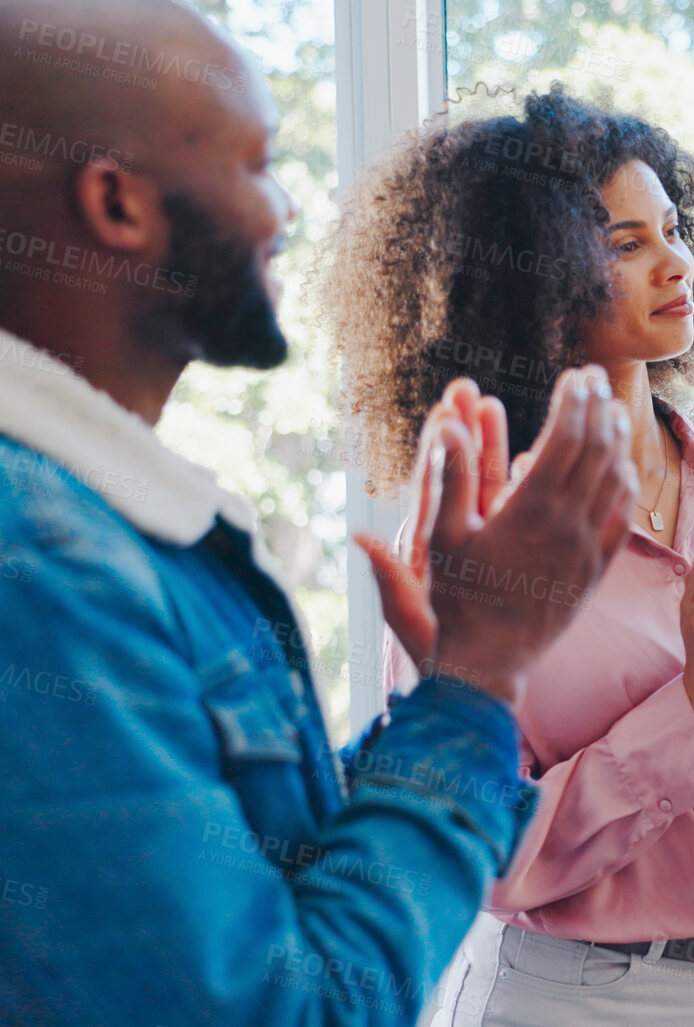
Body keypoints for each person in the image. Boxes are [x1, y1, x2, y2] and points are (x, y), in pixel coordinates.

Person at [0, 2, 640, 1023]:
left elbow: (245, 877)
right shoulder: (39, 562)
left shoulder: (99, 525)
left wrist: (444, 704)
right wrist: (483, 676)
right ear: (117, 205)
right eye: (255, 164)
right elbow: (285, 1009)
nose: (285, 210)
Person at [318, 86, 694, 1027]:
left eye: (672, 230)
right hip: (573, 999)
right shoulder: (476, 537)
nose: (675, 263)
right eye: (627, 246)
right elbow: (483, 854)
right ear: (532, 284)